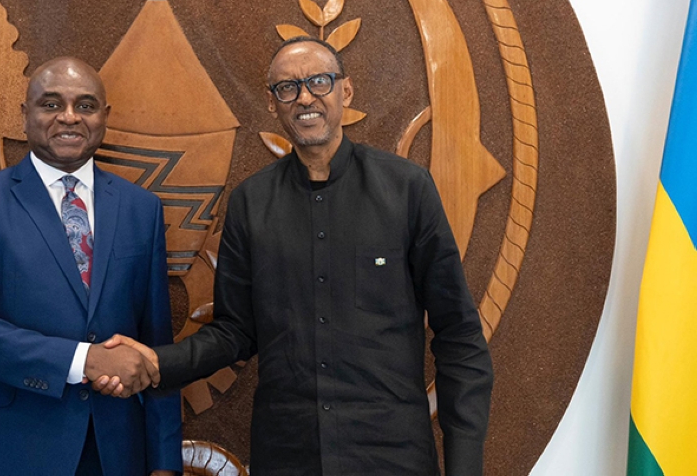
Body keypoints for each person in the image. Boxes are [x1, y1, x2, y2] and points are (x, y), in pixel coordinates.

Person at [98, 38, 493, 475]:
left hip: (391, 456)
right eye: (288, 87)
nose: (304, 97)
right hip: (288, 456)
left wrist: (465, 466)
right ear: (272, 104)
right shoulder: (251, 202)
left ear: (346, 92)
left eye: (319, 82)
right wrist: (157, 362)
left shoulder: (406, 190)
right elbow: (234, 333)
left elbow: (459, 338)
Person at [0, 57, 182, 476]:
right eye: (51, 104)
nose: (69, 117)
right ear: (25, 115)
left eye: (85, 105)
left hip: (115, 455)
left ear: (104, 117)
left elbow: (156, 347)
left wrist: (165, 462)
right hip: (5, 452)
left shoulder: (142, 209)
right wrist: (85, 360)